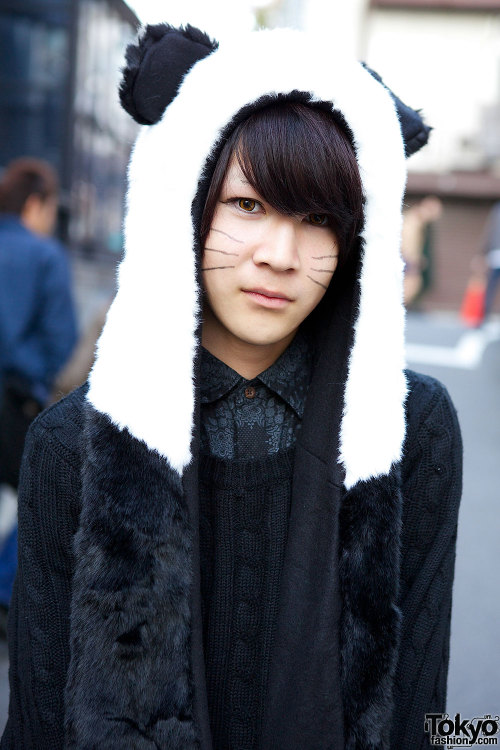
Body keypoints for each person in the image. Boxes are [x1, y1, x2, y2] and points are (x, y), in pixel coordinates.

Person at [1, 24, 462, 750]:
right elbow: (33, 720)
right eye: (248, 205)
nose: (280, 256)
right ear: (185, 204)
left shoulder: (411, 426)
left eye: (318, 221)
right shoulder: (71, 443)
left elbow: (429, 713)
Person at [0, 158, 77, 621]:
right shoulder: (45, 256)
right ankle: (7, 587)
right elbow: (61, 340)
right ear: (35, 204)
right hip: (15, 398)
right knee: (40, 492)